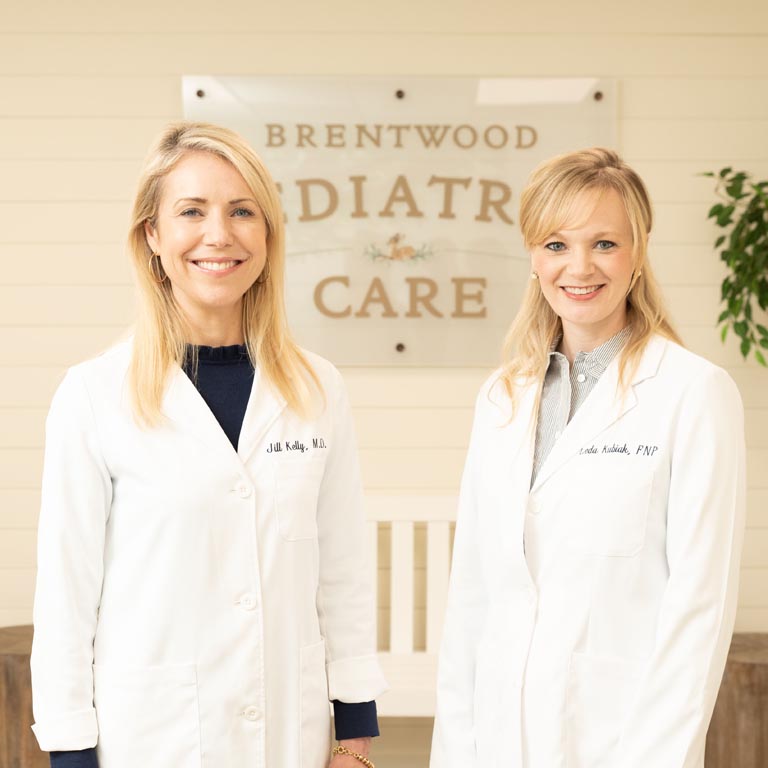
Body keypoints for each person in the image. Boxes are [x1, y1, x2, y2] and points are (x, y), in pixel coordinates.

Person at [30, 122, 387, 768]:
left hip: (290, 736)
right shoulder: (92, 395)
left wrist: (354, 737)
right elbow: (66, 597)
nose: (219, 235)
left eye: (242, 211)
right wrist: (70, 753)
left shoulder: (318, 390)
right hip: (151, 739)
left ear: (269, 235)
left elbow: (345, 573)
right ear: (154, 236)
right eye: (191, 211)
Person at [430, 148, 746, 768]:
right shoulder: (501, 398)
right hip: (496, 739)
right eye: (555, 245)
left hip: (617, 739)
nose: (579, 267)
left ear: (637, 253)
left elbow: (699, 611)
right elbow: (472, 596)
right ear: (532, 256)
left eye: (604, 244)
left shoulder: (693, 392)